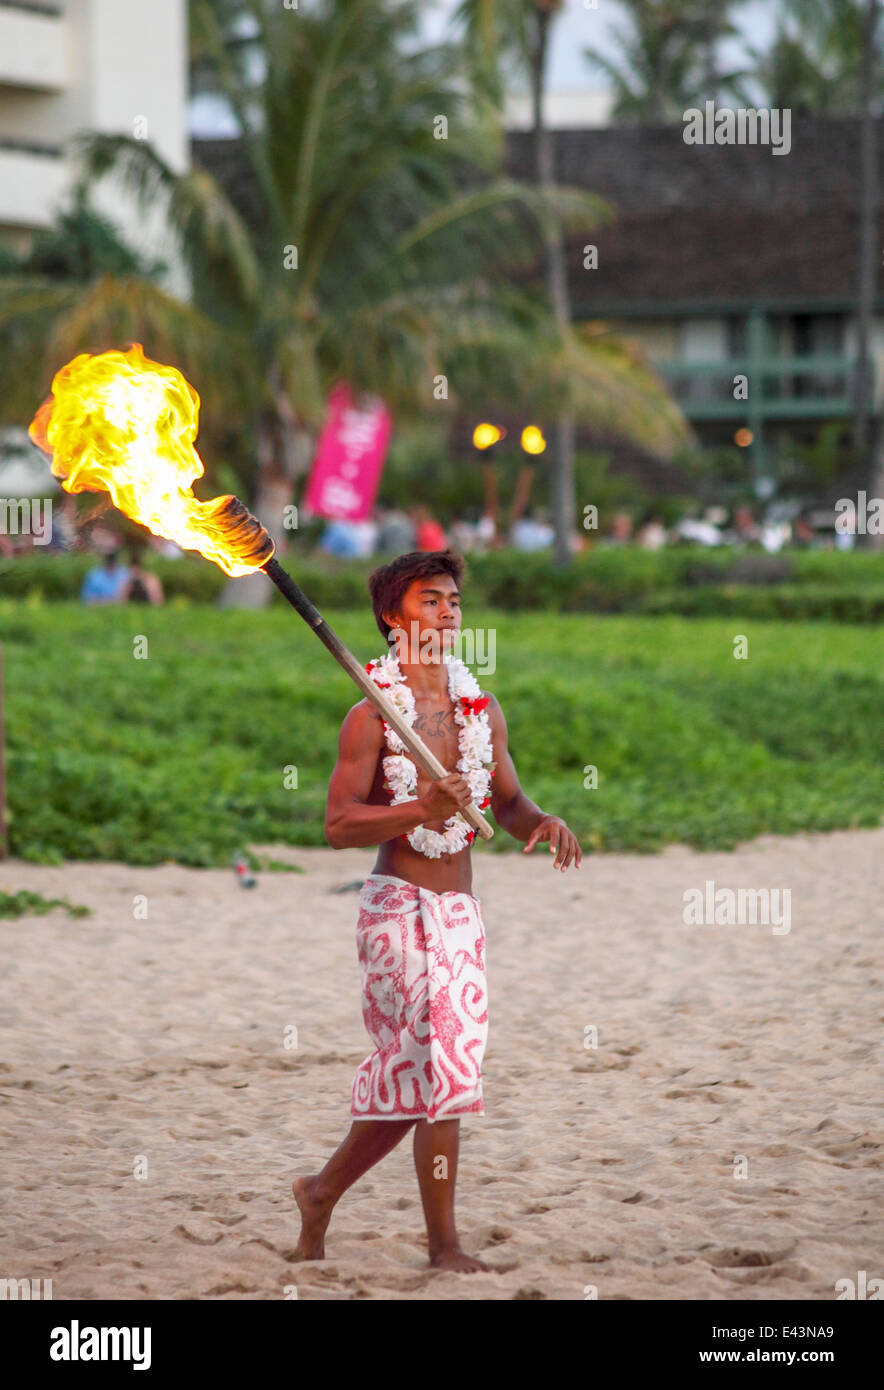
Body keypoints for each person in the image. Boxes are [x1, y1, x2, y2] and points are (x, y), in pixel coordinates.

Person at [291, 549, 582, 1272]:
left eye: (453, 600)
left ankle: (322, 1192)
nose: (447, 612)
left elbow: (507, 803)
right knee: (430, 1071)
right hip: (397, 909)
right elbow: (338, 826)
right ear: (394, 617)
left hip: (461, 915)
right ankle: (444, 1247)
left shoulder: (480, 708)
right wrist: (418, 807)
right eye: (430, 600)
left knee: (432, 1077)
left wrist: (541, 821)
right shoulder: (370, 715)